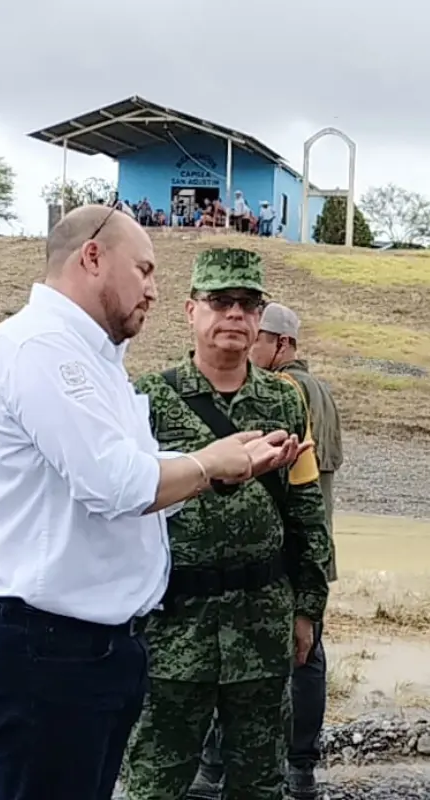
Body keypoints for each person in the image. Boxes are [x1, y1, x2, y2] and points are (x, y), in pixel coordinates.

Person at [0, 207, 306, 800]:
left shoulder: (95, 362)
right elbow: (114, 485)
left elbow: (127, 482)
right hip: (48, 651)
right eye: (143, 269)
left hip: (89, 650)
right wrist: (206, 465)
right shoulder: (41, 347)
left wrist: (211, 469)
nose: (153, 289)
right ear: (92, 258)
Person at [121, 248, 332, 800]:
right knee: (155, 778)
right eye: (220, 302)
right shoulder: (146, 398)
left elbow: (305, 506)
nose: (234, 315)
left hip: (260, 623)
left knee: (260, 781)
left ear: (260, 317)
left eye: (247, 304)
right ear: (191, 311)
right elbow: (121, 508)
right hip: (172, 626)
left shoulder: (284, 401)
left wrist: (309, 607)